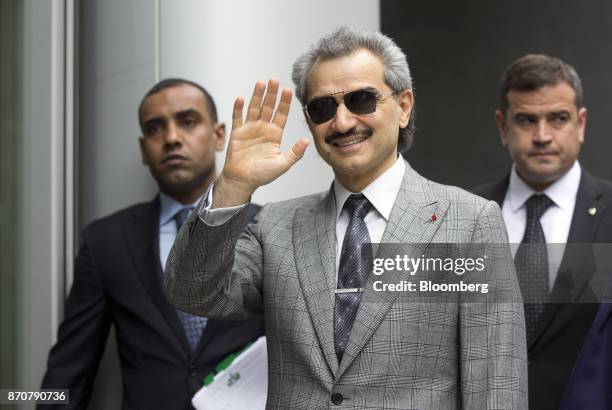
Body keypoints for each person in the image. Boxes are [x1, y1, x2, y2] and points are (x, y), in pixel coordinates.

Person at [165, 27, 527, 409]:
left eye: (361, 100)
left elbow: (496, 384)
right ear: (309, 123)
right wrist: (232, 187)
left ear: (404, 106)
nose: (342, 123)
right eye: (323, 108)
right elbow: (192, 292)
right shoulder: (276, 226)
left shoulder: (468, 222)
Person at [39, 79, 264, 410]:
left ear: (218, 136)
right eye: (155, 128)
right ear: (145, 149)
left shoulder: (269, 229)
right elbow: (69, 373)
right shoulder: (106, 242)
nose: (171, 138)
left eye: (188, 121)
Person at [472, 54, 612, 410]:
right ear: (503, 127)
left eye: (558, 119)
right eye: (526, 120)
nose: (542, 136)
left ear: (580, 124)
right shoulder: (463, 214)